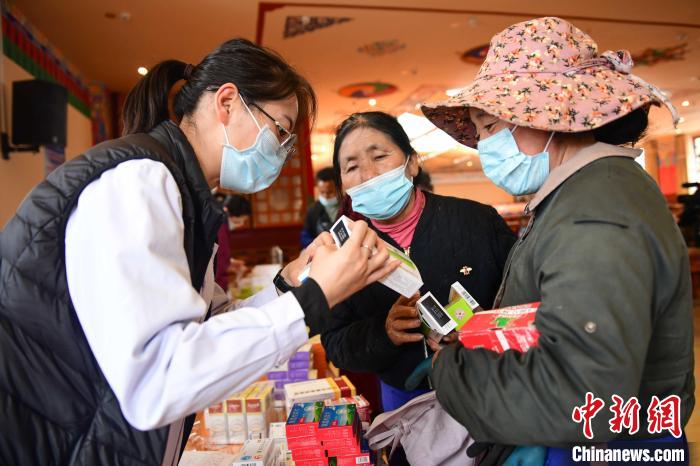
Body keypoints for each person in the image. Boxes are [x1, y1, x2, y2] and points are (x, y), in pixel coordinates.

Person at [0, 38, 397, 466]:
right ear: (227, 102)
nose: (281, 154)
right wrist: (315, 298)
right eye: (280, 132)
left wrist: (290, 283)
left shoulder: (187, 196)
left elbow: (206, 325)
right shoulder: (140, 182)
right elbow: (158, 379)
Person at [421, 17, 693, 464]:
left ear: (548, 113)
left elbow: (579, 397)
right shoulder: (585, 194)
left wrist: (451, 370)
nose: (484, 145)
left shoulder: (595, 214)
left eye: (489, 126)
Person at [320, 111, 516, 413]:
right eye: (352, 167)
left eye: (379, 157)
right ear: (343, 184)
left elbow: (525, 301)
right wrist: (384, 333)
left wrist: (481, 333)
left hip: (490, 387)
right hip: (404, 402)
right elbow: (336, 344)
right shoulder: (342, 253)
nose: (368, 175)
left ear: (412, 162)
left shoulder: (478, 221)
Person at [301, 167, 339, 247]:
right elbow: (304, 237)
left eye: (330, 192)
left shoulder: (347, 206)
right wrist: (318, 244)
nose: (326, 196)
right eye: (322, 192)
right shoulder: (313, 210)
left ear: (338, 188)